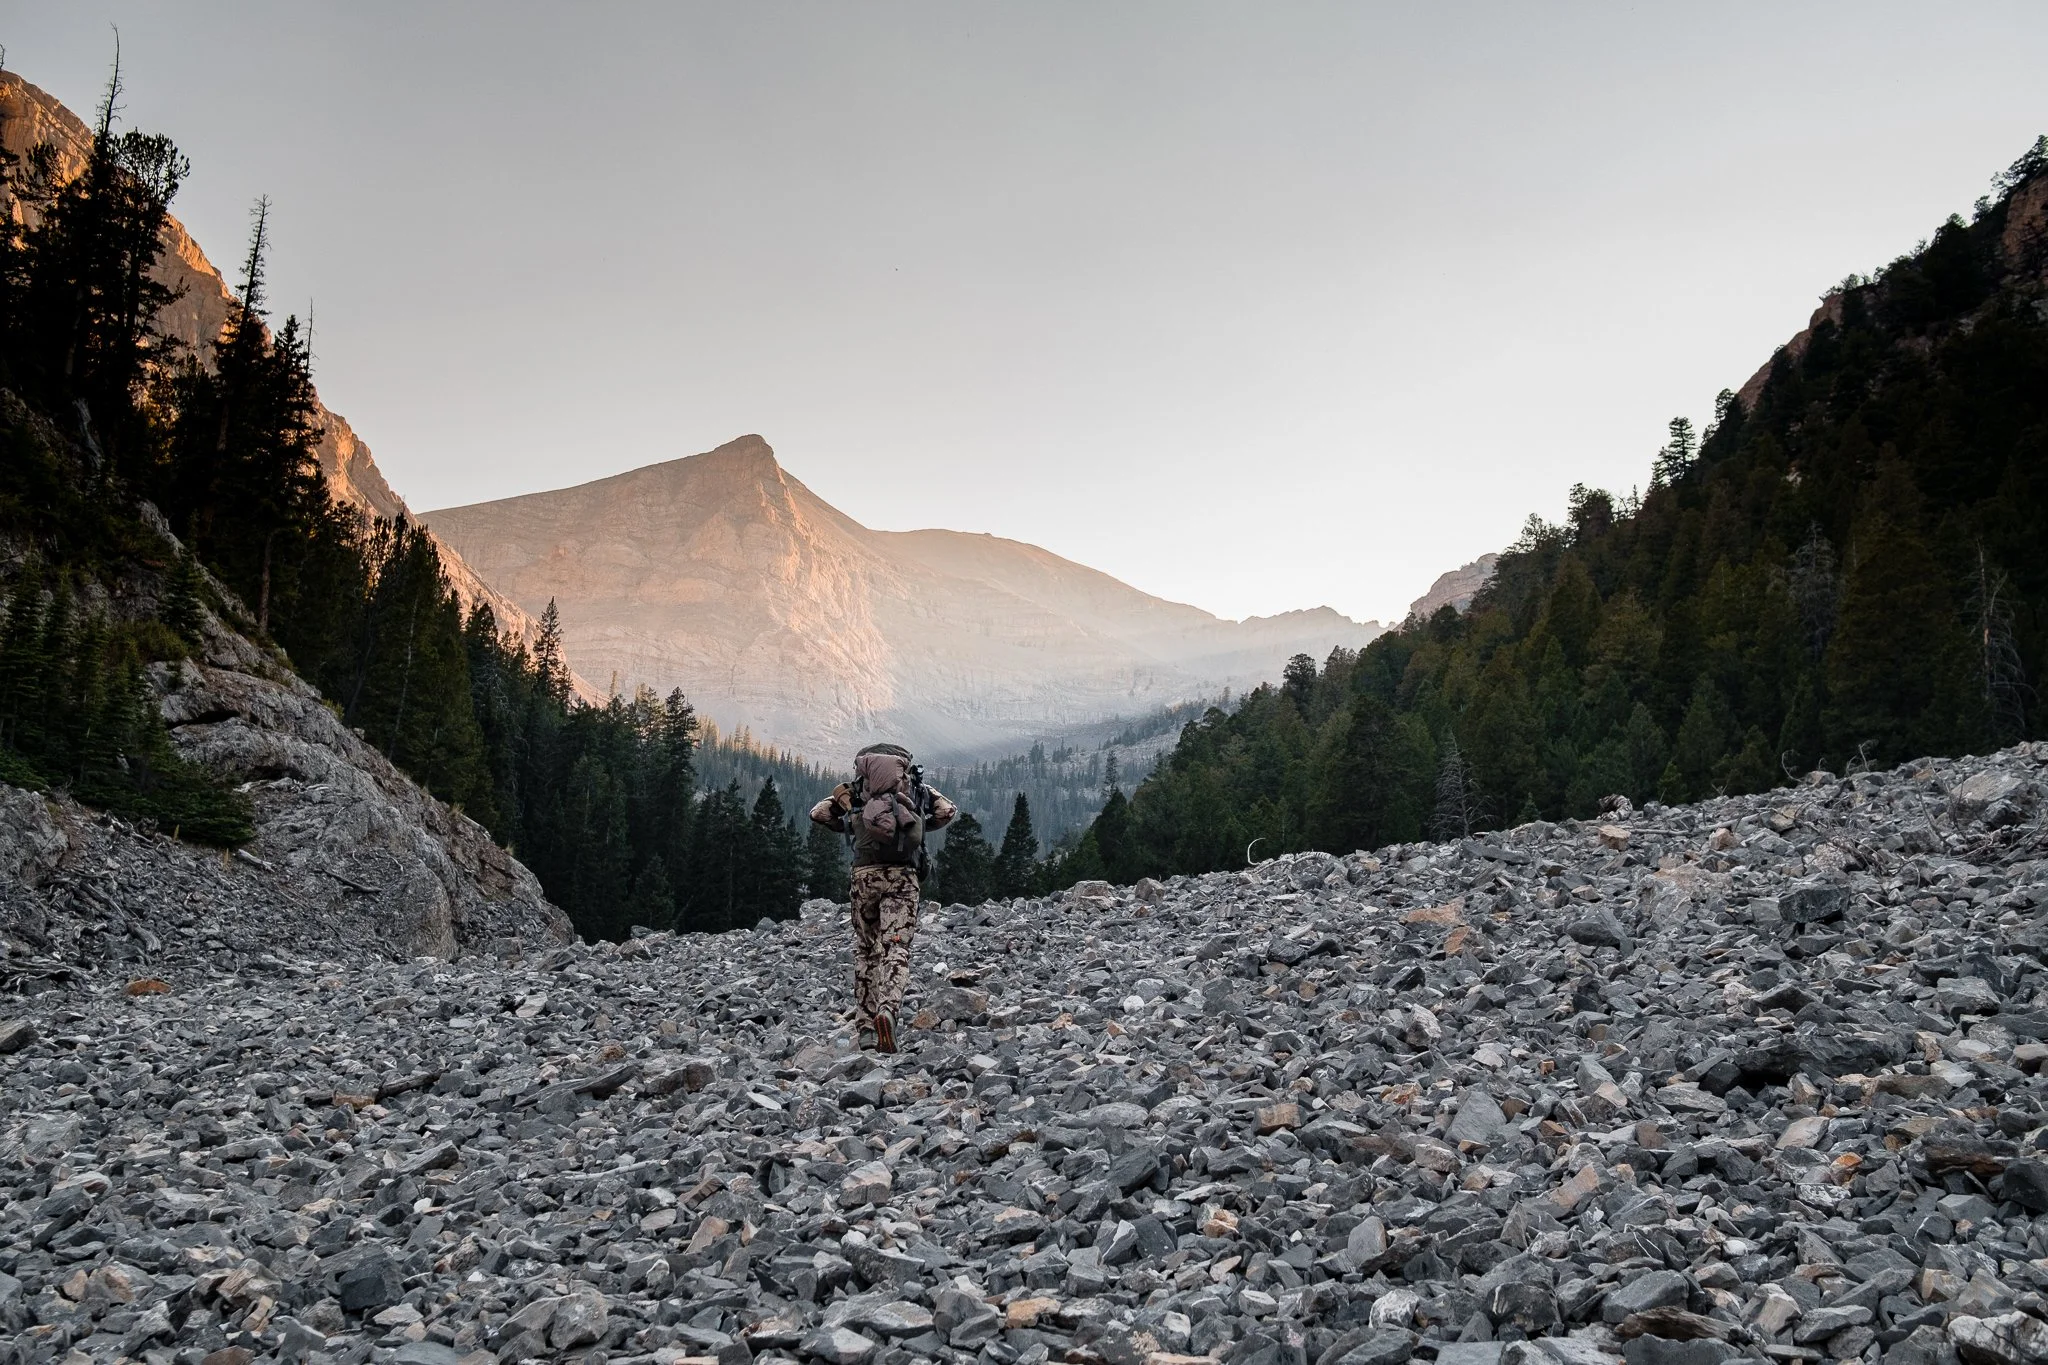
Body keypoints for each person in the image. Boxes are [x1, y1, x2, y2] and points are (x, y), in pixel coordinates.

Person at [810, 742, 956, 1052]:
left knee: (866, 951)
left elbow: (818, 813)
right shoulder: (917, 788)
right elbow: (947, 811)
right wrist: (916, 826)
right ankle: (888, 1011)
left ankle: (865, 1029)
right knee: (897, 949)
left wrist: (852, 823)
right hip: (903, 877)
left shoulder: (856, 791)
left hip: (864, 876)